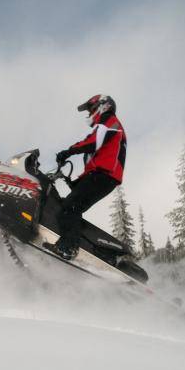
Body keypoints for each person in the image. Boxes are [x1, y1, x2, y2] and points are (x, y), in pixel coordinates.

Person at [45, 94, 127, 260]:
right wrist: (73, 182)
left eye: (91, 109)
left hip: (104, 176)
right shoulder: (106, 127)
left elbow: (92, 142)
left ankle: (69, 248)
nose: (89, 114)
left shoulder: (110, 122)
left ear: (103, 106)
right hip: (101, 176)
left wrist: (68, 151)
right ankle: (83, 247)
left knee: (70, 208)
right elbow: (95, 162)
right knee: (68, 207)